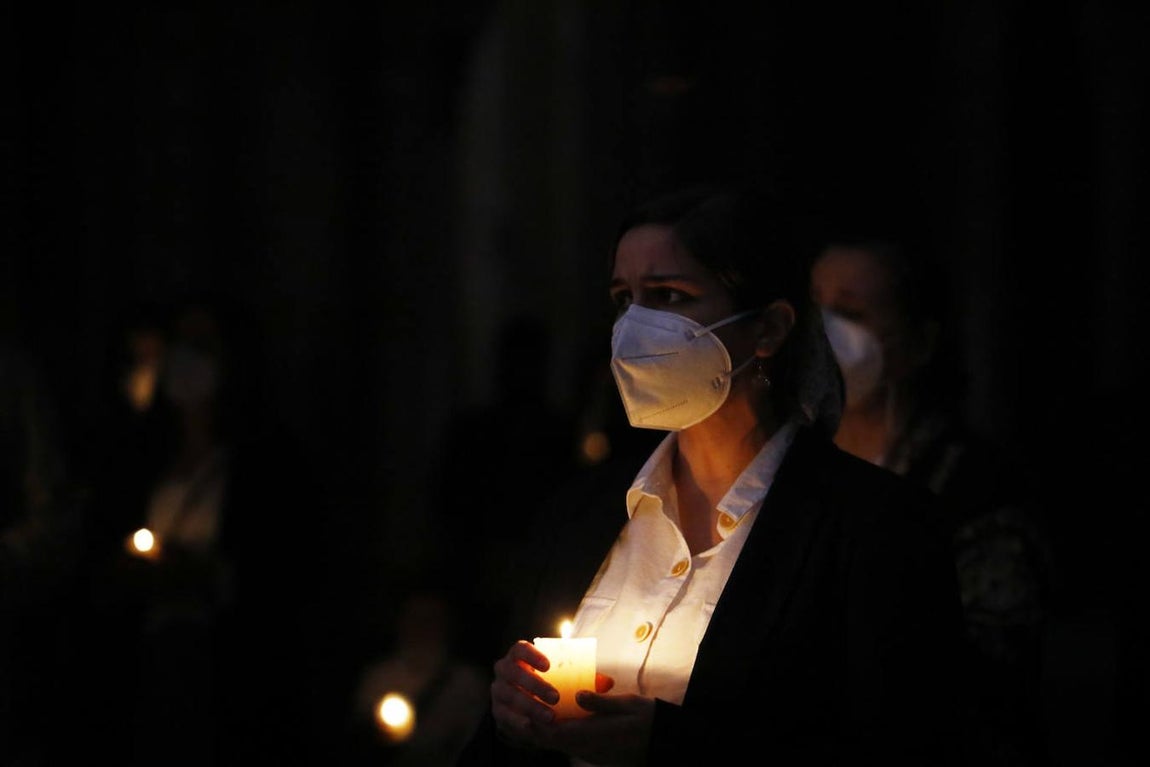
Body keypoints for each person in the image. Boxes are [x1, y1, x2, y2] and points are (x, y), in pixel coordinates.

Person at [456, 186, 972, 766]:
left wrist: (666, 743)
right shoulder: (580, 513)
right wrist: (511, 718)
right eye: (625, 298)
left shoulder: (873, 523)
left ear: (769, 329)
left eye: (669, 295)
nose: (636, 326)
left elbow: (911, 744)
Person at [810, 233, 1053, 766]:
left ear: (919, 342)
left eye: (850, 312)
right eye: (815, 307)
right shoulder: (784, 468)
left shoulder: (973, 486)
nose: (825, 332)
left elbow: (990, 672)